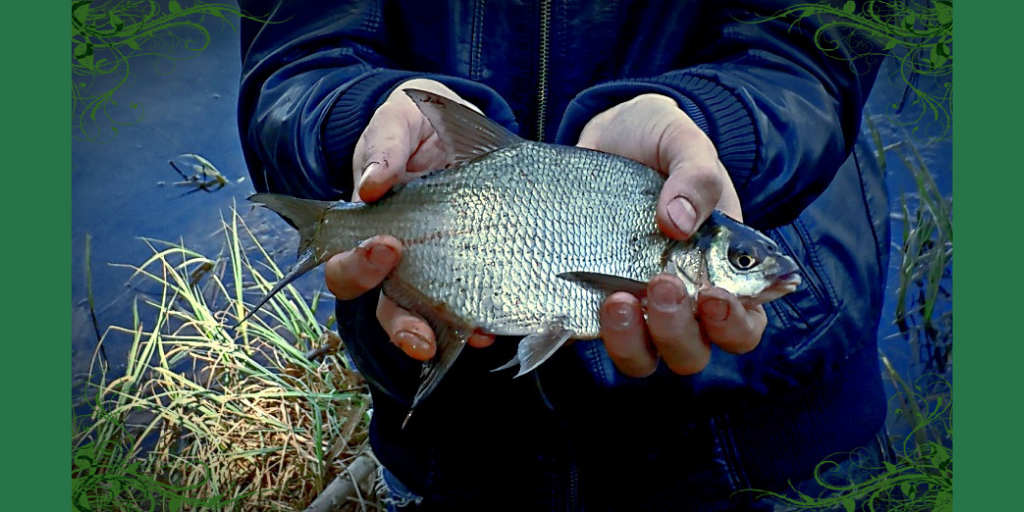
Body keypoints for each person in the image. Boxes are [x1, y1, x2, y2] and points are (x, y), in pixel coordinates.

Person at [237, 1, 893, 510]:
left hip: (779, 444)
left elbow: (820, 39)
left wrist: (717, 126)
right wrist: (354, 123)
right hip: (455, 455)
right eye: (744, 265)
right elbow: (297, 50)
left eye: (742, 264)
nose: (755, 274)